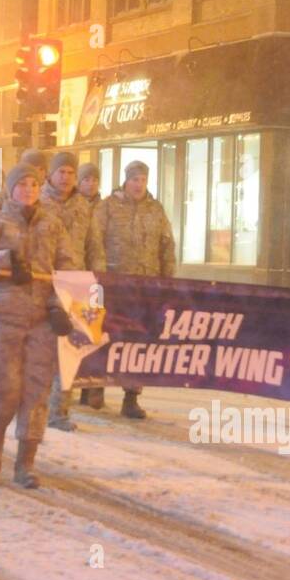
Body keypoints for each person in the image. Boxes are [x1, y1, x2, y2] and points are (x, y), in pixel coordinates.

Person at [0, 164, 76, 488]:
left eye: (33, 184)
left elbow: (67, 267)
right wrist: (5, 263)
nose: (28, 190)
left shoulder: (53, 225)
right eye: (22, 185)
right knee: (5, 388)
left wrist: (58, 305)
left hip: (41, 320)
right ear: (11, 189)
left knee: (36, 390)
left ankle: (26, 463)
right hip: (3, 318)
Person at [88, 159, 176, 420]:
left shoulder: (156, 210)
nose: (139, 185)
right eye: (135, 179)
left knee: (138, 342)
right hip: (114, 285)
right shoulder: (108, 207)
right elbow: (96, 242)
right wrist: (101, 276)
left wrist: (168, 281)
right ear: (126, 180)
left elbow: (167, 245)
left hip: (146, 287)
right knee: (105, 336)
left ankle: (131, 397)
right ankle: (96, 385)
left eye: (143, 180)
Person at [41, 152, 97, 431]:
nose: (66, 178)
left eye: (70, 173)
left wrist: (99, 278)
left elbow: (93, 244)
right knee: (37, 349)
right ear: (50, 174)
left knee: (71, 350)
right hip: (40, 282)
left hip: (76, 285)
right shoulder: (35, 201)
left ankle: (60, 411)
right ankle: (29, 405)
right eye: (61, 172)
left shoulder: (83, 206)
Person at [76, 161, 102, 408]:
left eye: (94, 179)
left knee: (96, 333)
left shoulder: (107, 208)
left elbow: (97, 246)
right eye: (86, 179)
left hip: (95, 282)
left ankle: (93, 389)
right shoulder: (73, 206)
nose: (91, 183)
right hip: (71, 281)